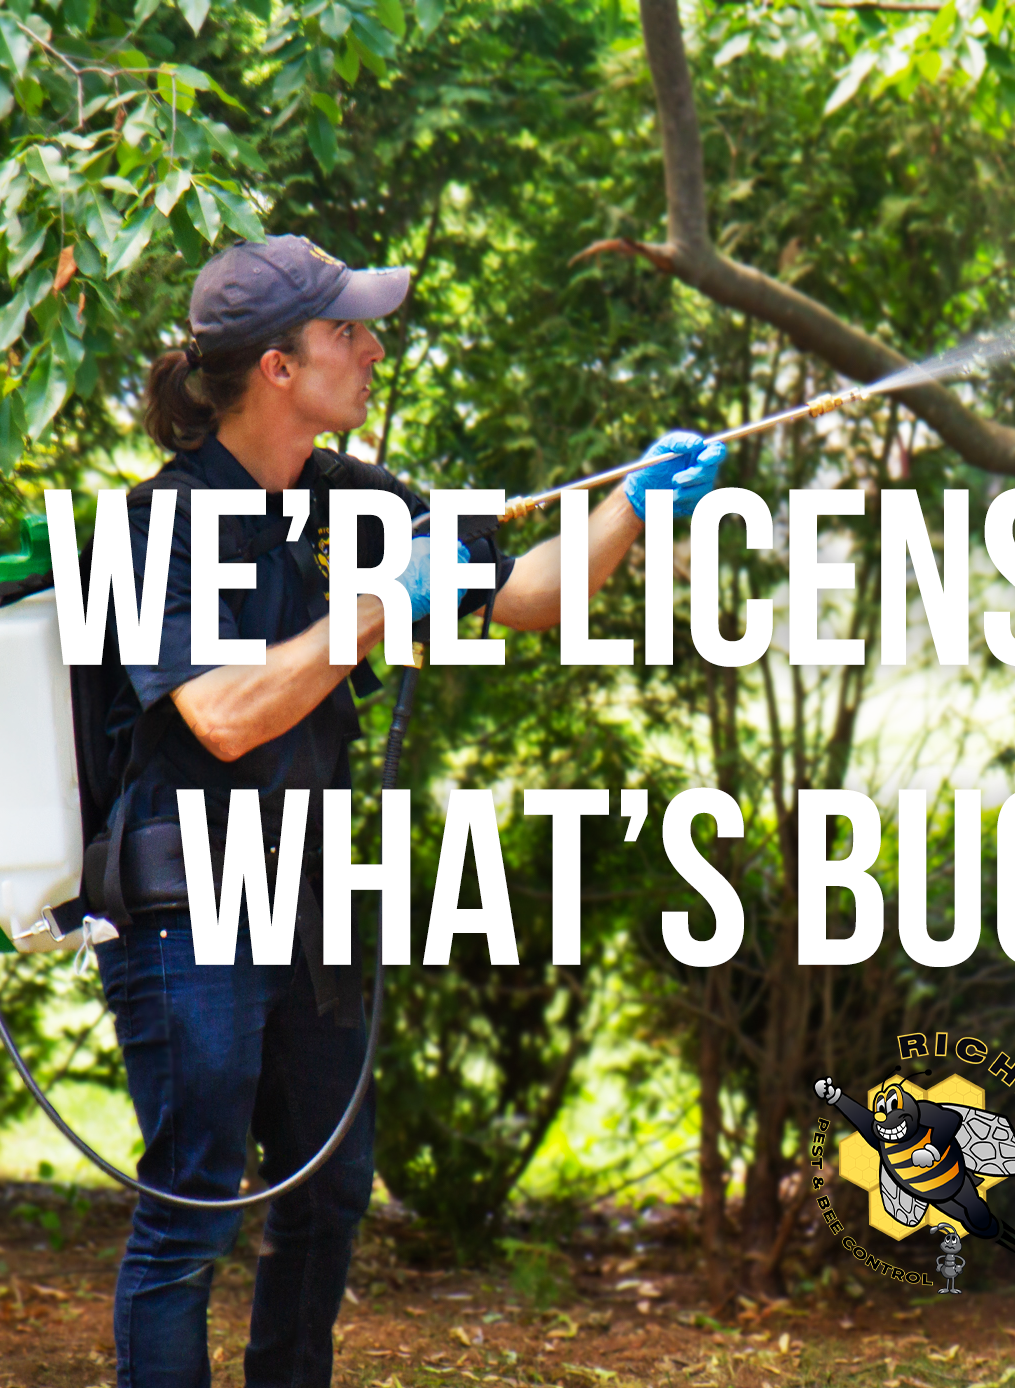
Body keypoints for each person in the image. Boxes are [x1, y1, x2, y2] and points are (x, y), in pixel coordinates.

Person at [95, 235, 721, 1388]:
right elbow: (226, 715)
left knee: (327, 1201)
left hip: (309, 897)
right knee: (192, 1211)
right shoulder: (160, 524)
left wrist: (631, 505)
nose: (373, 346)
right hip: (189, 902)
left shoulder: (357, 500)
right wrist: (378, 609)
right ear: (277, 368)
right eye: (348, 331)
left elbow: (521, 592)